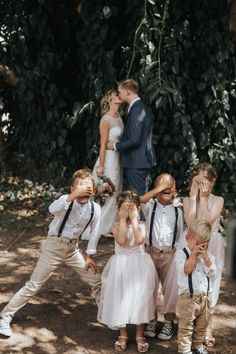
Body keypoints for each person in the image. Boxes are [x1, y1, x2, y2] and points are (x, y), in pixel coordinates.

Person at [0, 169, 101, 339]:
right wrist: (71, 196)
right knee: (34, 285)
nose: (84, 190)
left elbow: (95, 232)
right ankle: (5, 315)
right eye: (79, 187)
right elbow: (52, 209)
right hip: (54, 246)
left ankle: (106, 314)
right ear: (71, 189)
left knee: (97, 280)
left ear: (94, 191)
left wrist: (90, 256)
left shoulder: (95, 208)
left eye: (88, 187)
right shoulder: (65, 201)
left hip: (72, 249)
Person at [97, 190, 158, 353]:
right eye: (125, 208)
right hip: (121, 266)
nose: (129, 211)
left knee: (140, 298)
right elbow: (122, 241)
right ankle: (123, 333)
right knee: (120, 297)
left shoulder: (142, 225)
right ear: (119, 210)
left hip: (139, 265)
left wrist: (135, 219)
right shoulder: (116, 226)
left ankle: (139, 334)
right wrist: (123, 219)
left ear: (138, 209)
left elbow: (139, 240)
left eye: (132, 208)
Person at [183, 162, 224, 347]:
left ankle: (208, 328)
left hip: (212, 244)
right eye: (196, 182)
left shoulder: (218, 200)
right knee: (191, 281)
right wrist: (194, 197)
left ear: (212, 181)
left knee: (210, 282)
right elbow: (191, 222)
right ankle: (189, 325)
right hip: (192, 242)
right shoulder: (188, 199)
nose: (200, 186)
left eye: (204, 182)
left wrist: (204, 197)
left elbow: (207, 221)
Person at [140, 173, 184, 340]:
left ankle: (169, 321)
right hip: (150, 251)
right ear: (156, 190)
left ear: (174, 191)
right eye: (160, 186)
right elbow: (140, 201)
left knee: (170, 289)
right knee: (150, 287)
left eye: (168, 187)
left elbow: (180, 235)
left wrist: (178, 256)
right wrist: (158, 188)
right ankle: (151, 319)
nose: (164, 188)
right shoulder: (150, 205)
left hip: (170, 254)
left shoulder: (178, 212)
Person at [106, 79, 156, 196]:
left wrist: (114, 145)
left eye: (120, 92)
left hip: (137, 162)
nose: (119, 94)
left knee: (136, 199)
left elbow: (134, 140)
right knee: (137, 198)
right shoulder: (140, 108)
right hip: (139, 161)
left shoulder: (137, 110)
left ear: (128, 92)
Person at [176, 219, 216, 354]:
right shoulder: (182, 254)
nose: (200, 248)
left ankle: (198, 345)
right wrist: (193, 255)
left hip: (205, 297)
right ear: (187, 238)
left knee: (201, 325)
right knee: (186, 326)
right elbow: (186, 269)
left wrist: (206, 259)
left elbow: (212, 274)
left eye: (204, 245)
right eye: (196, 244)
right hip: (188, 298)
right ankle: (185, 349)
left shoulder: (209, 257)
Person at [93, 89, 124, 236]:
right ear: (110, 100)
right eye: (116, 95)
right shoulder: (105, 120)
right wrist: (101, 166)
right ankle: (100, 227)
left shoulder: (119, 117)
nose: (120, 96)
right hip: (109, 159)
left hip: (118, 158)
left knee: (116, 190)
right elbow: (102, 144)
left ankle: (110, 226)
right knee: (108, 192)